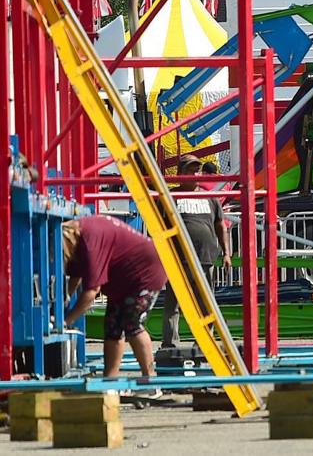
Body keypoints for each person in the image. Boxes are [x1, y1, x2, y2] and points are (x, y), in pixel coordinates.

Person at [63, 215, 168, 380]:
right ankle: (110, 380)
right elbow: (76, 276)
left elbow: (91, 292)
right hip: (123, 280)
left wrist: (66, 321)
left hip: (144, 273)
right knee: (112, 328)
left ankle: (150, 379)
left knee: (132, 323)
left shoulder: (90, 242)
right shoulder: (82, 237)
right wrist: (65, 299)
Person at [161, 157, 232, 348]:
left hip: (205, 257)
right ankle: (170, 343)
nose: (195, 174)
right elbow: (158, 226)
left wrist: (226, 253)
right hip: (178, 259)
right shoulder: (170, 196)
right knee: (173, 303)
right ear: (180, 174)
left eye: (197, 171)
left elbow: (220, 225)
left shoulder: (209, 196)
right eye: (190, 171)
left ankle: (204, 343)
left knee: (206, 303)